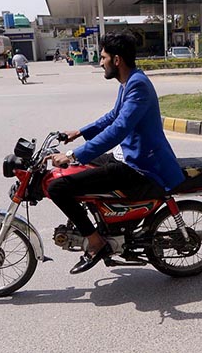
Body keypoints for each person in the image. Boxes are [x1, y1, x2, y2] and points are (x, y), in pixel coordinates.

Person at [45, 31, 185, 274]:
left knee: (59, 187)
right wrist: (79, 132)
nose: (101, 62)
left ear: (116, 60)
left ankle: (96, 243)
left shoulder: (138, 85)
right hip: (129, 157)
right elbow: (113, 116)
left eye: (103, 57)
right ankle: (105, 224)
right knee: (72, 171)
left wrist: (73, 155)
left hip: (140, 167)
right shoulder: (129, 82)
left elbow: (119, 129)